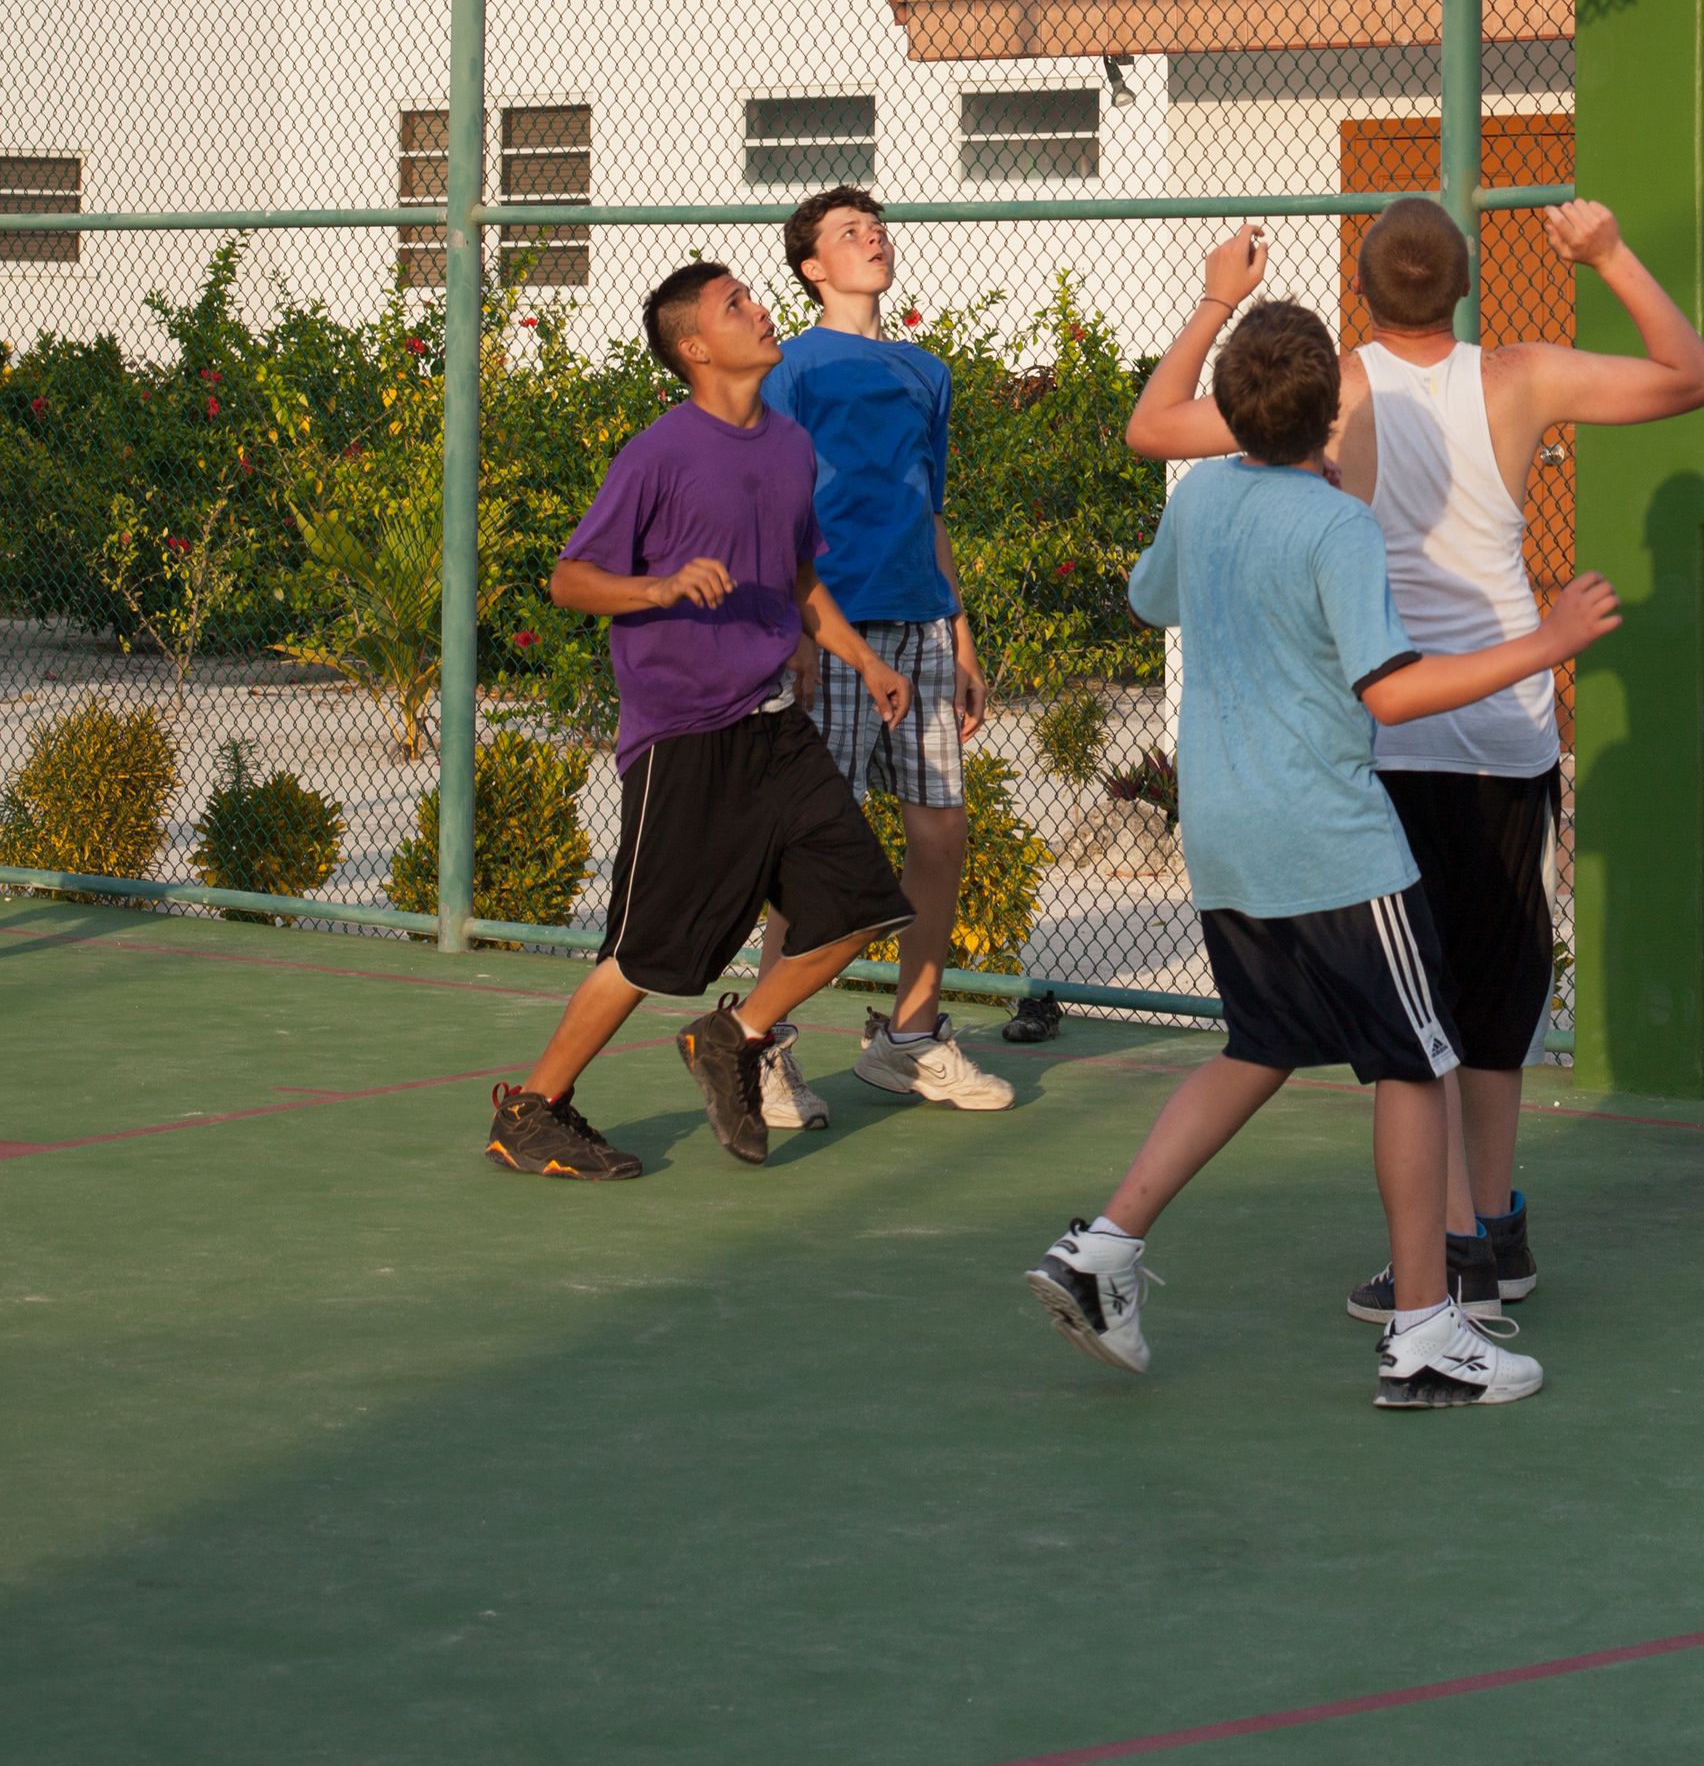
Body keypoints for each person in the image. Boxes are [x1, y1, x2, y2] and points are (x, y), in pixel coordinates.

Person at [1126, 193, 1704, 1321]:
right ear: (1463, 286)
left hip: (1386, 732)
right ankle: (1491, 1231)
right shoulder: (1524, 376)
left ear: (1359, 291)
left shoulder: (1328, 391)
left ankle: (1455, 1253)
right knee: (1491, 1002)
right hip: (1502, 729)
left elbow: (1154, 428)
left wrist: (1218, 298)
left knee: (1424, 1019)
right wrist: (1608, 251)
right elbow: (1691, 377)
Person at [1028, 297, 1621, 1408]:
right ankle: (1423, 1329)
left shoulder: (1203, 493)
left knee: (1258, 1045)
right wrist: (1544, 642)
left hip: (1222, 829)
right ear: (1331, 415)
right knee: (1419, 1064)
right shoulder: (1337, 526)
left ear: (1234, 411)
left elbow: (1147, 595)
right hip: (1328, 837)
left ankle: (1105, 1246)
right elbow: (1391, 689)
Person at [484, 260, 915, 1181]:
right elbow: (569, 579)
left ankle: (734, 1037)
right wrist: (659, 585)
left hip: (773, 728)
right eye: (737, 306)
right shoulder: (660, 454)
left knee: (860, 911)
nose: (761, 312)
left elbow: (799, 578)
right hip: (685, 738)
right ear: (694, 347)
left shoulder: (792, 445)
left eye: (753, 297)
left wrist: (863, 657)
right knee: (648, 954)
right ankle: (534, 1109)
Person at [754, 186, 1014, 1118]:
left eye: (877, 228)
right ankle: (762, 1044)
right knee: (815, 850)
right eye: (848, 234)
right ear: (812, 267)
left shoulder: (925, 371)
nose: (872, 240)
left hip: (925, 629)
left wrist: (962, 631)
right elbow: (773, 512)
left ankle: (908, 1037)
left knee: (941, 832)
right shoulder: (788, 368)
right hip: (836, 636)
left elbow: (927, 510)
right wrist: (799, 632)